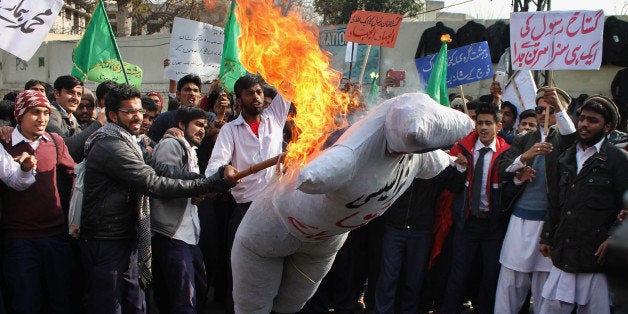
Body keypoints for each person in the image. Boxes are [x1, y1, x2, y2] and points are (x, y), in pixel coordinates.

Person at [78, 84, 238, 314]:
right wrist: (208, 184)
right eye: (129, 112)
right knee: (110, 303)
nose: (138, 117)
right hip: (106, 239)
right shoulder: (110, 145)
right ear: (112, 115)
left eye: (139, 111)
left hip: (126, 234)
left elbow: (160, 168)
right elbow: (152, 182)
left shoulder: (129, 141)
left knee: (136, 303)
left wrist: (203, 179)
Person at [205, 73, 291, 312]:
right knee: (242, 271)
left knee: (278, 265)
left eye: (259, 92)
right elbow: (214, 166)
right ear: (239, 98)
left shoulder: (275, 118)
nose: (256, 97)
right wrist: (225, 169)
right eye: (250, 93)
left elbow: (291, 83)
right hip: (246, 210)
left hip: (277, 206)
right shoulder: (230, 131)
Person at [539, 96, 628, 313]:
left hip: (596, 254)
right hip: (564, 251)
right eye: (582, 119)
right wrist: (548, 236)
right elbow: (556, 202)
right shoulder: (567, 156)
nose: (584, 124)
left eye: (592, 120)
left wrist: (613, 239)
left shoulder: (618, 160)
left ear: (607, 127)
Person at [495, 87, 576, 314]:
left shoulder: (567, 140)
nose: (543, 113)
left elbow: (572, 140)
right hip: (521, 220)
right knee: (511, 282)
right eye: (540, 108)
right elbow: (503, 169)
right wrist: (525, 158)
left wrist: (559, 109)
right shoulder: (525, 139)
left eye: (550, 108)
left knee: (546, 290)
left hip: (550, 224)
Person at [1, 90, 75, 313]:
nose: (42, 118)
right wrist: (25, 168)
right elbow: (16, 182)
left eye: (45, 112)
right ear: (19, 115)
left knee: (60, 300)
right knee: (26, 302)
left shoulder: (54, 141)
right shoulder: (4, 144)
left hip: (56, 236)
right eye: (35, 112)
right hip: (19, 240)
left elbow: (75, 174)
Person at [442, 102, 511, 314]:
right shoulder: (462, 149)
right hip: (467, 222)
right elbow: (450, 187)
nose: (483, 127)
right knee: (458, 273)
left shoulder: (507, 153)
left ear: (498, 126)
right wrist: (460, 168)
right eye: (479, 122)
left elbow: (510, 194)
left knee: (491, 274)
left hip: (494, 226)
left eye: (488, 123)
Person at [151, 106, 209, 313]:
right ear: (182, 125)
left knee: (198, 291)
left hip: (189, 234)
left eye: (205, 126)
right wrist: (197, 187)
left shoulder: (191, 151)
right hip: (172, 234)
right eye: (198, 124)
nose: (202, 130)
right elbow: (163, 184)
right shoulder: (171, 145)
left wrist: (197, 191)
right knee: (183, 299)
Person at [47, 75, 105, 161]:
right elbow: (65, 146)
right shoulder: (50, 114)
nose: (75, 98)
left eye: (79, 94)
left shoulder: (71, 117)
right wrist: (98, 124)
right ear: (57, 93)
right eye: (70, 92)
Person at [148, 74, 206, 143]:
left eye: (195, 90)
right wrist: (166, 138)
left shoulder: (209, 118)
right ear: (178, 94)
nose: (192, 93)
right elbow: (152, 145)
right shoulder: (164, 118)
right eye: (187, 90)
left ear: (200, 96)